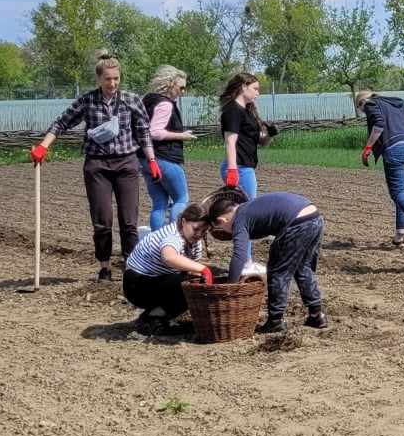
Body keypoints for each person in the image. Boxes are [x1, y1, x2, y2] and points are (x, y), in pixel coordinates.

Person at [31, 52, 159, 282]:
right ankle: (105, 267)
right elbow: (62, 122)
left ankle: (132, 268)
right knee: (102, 221)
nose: (112, 83)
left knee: (129, 221)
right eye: (108, 79)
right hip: (97, 166)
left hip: (126, 163)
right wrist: (43, 146)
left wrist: (151, 159)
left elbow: (143, 131)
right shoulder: (87, 101)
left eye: (116, 79)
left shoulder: (131, 100)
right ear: (99, 79)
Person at [203, 188, 326, 333]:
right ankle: (317, 316)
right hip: (314, 216)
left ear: (222, 220)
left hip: (296, 223)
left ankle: (275, 321)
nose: (226, 232)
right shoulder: (247, 208)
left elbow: (239, 255)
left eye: (222, 228)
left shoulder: (239, 220)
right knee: (303, 267)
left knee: (277, 271)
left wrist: (230, 286)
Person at [122, 203, 211, 334]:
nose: (199, 234)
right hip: (136, 284)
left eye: (203, 231)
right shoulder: (172, 236)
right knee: (185, 286)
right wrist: (204, 269)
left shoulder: (193, 241)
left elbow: (190, 268)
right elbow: (169, 257)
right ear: (184, 222)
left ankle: (156, 315)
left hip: (154, 280)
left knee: (193, 282)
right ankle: (153, 318)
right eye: (196, 229)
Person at [357, 89, 404, 248]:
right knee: (401, 193)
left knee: (396, 192)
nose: (364, 112)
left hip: (394, 149)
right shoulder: (397, 104)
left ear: (362, 102)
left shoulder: (370, 104)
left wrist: (368, 147)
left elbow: (379, 123)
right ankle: (400, 235)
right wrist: (403, 134)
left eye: (361, 109)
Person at [142, 66, 197, 229]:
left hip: (145, 159)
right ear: (169, 84)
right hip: (165, 158)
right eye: (181, 87)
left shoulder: (147, 100)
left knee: (159, 204)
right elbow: (155, 132)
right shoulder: (165, 104)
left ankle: (155, 246)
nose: (183, 91)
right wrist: (183, 135)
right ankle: (173, 241)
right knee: (181, 199)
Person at [219, 72, 267, 200]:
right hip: (239, 167)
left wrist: (270, 134)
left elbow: (260, 141)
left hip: (246, 166)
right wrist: (232, 169)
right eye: (255, 89)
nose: (258, 93)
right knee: (248, 206)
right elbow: (230, 142)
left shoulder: (247, 111)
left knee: (241, 206)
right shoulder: (233, 110)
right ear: (243, 87)